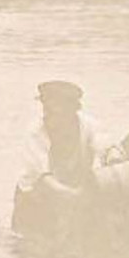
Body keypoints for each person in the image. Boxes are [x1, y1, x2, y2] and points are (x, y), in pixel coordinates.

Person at [13, 80, 110, 235]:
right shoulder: (35, 133)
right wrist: (76, 197)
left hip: (75, 191)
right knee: (27, 245)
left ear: (73, 111)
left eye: (56, 113)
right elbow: (44, 179)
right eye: (46, 111)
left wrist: (109, 160)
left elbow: (104, 152)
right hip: (34, 198)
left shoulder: (90, 126)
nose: (48, 117)